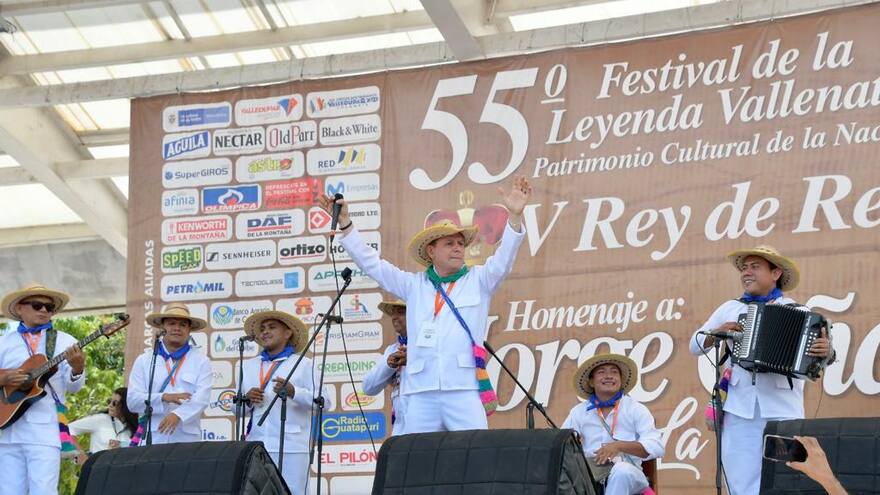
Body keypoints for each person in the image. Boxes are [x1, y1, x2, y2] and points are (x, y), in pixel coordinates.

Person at [319, 176, 531, 433]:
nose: (457, 248)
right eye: (449, 243)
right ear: (431, 252)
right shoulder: (414, 285)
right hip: (420, 391)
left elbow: (504, 259)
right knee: (419, 464)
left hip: (463, 389)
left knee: (473, 460)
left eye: (460, 244)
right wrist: (346, 225)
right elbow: (373, 265)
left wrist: (515, 217)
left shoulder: (479, 280)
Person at [688, 246, 836, 495]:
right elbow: (695, 345)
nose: (746, 272)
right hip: (738, 409)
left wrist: (826, 351)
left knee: (787, 474)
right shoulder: (730, 308)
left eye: (754, 267)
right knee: (740, 479)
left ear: (775, 272)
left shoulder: (799, 312)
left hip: (783, 411)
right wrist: (717, 332)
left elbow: (823, 359)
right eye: (744, 268)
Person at [0, 284, 86, 495]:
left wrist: (78, 368)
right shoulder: (4, 343)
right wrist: (4, 377)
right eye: (38, 305)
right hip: (8, 430)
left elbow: (74, 387)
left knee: (44, 491)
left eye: (49, 307)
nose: (44, 311)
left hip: (44, 432)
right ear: (20, 308)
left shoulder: (66, 342)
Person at [562, 353, 664, 495]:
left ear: (621, 381)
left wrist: (619, 446)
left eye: (614, 372)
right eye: (601, 372)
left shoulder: (635, 409)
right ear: (591, 382)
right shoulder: (578, 412)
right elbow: (563, 445)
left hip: (630, 475)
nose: (609, 376)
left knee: (621, 471)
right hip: (590, 477)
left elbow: (657, 447)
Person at [242, 310, 313, 494]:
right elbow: (235, 409)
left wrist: (294, 391)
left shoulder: (304, 364)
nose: (265, 331)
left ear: (288, 333)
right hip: (258, 447)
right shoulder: (248, 365)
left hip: (292, 447)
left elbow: (324, 402)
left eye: (272, 327)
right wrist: (247, 399)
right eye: (262, 328)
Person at [127, 303, 212, 445]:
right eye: (172, 323)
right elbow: (132, 401)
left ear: (189, 329)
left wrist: (178, 414)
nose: (177, 328)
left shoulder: (201, 361)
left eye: (183, 325)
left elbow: (202, 399)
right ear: (162, 327)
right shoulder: (144, 360)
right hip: (152, 438)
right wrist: (164, 398)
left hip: (186, 440)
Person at [362, 299, 407, 436]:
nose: (394, 317)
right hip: (401, 430)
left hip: (429, 428)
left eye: (401, 312)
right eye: (393, 313)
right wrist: (388, 365)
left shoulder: (429, 344)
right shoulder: (391, 350)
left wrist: (412, 360)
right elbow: (368, 388)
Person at [69, 387, 137, 462]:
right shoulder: (100, 419)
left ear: (125, 406)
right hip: (96, 470)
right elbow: (67, 429)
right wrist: (82, 458)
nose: (110, 405)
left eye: (115, 403)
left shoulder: (135, 427)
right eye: (109, 401)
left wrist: (122, 445)